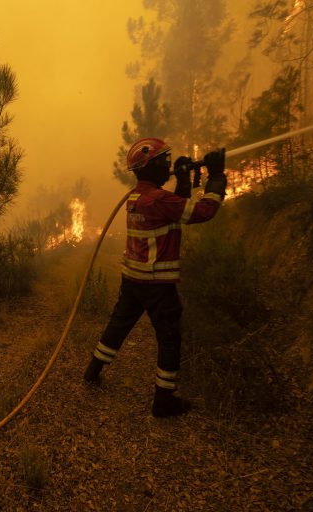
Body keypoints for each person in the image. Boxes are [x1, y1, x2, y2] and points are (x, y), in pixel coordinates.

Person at [82, 137, 226, 417]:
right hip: (157, 284)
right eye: (166, 162)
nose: (169, 166)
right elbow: (202, 211)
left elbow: (175, 210)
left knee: (118, 325)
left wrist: (183, 181)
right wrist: (217, 177)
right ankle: (163, 401)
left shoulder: (137, 197)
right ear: (151, 167)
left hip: (133, 279)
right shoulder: (159, 199)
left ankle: (93, 370)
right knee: (170, 337)